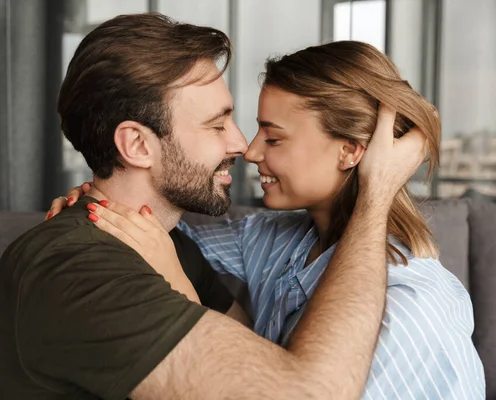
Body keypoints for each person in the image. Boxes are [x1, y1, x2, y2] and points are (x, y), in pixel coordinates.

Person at [0, 14, 428, 400]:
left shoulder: (167, 245)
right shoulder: (77, 269)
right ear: (136, 145)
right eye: (216, 124)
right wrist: (375, 196)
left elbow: (250, 356)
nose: (240, 144)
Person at [56, 40, 485, 399]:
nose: (251, 151)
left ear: (351, 151)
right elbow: (155, 226)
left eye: (274, 137)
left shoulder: (411, 309)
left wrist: (178, 285)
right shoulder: (275, 241)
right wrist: (109, 196)